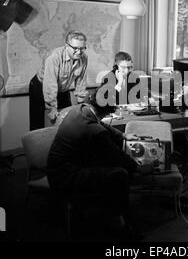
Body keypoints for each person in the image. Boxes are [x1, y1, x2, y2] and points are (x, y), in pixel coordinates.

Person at [46, 86, 155, 239]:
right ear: (110, 110)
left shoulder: (80, 109)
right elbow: (116, 155)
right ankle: (119, 222)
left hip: (57, 169)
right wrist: (139, 168)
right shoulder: (94, 130)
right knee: (120, 173)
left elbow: (101, 125)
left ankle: (105, 208)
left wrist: (123, 136)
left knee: (109, 167)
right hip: (64, 177)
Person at [29, 30, 88, 130]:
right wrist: (52, 107)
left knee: (67, 119)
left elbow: (81, 81)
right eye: (75, 48)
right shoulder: (54, 57)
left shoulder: (83, 57)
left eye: (82, 48)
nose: (79, 52)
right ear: (66, 45)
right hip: (41, 87)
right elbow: (50, 85)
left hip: (62, 88)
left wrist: (82, 105)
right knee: (40, 123)